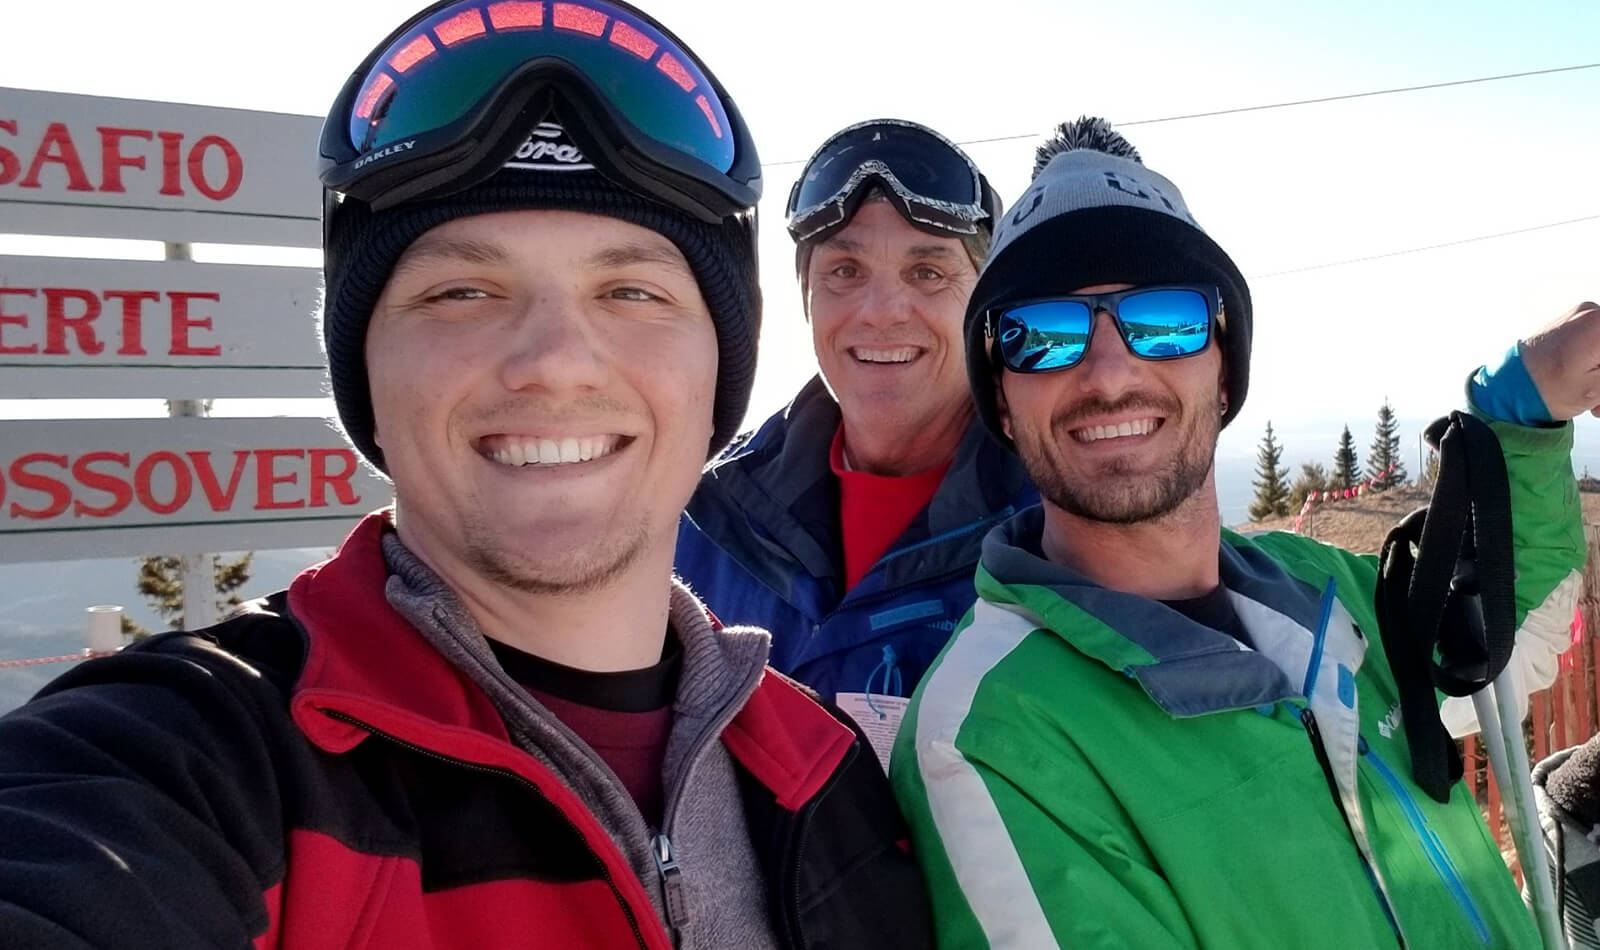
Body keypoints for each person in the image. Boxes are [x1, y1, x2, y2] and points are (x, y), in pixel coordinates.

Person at [0, 2, 931, 947]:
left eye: (631, 290)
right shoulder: (200, 758)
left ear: (720, 366)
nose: (555, 361)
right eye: (462, 292)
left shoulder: (826, 772)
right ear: (364, 362)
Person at [891, 115, 1592, 949]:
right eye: (1042, 335)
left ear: (1226, 369)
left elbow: (1522, 639)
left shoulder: (1328, 599)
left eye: (1166, 320)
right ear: (1002, 397)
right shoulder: (994, 735)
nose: (1111, 372)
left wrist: (1522, 407)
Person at [676, 120, 1035, 753]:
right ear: (806, 297)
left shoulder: (1054, 536)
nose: (881, 311)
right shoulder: (703, 520)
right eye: (844, 269)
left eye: (928, 271)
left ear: (986, 303)